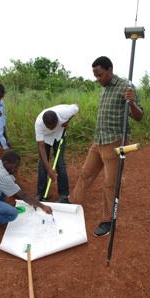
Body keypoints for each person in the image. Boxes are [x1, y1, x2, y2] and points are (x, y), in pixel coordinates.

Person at [69, 56, 143, 236]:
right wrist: (95, 138)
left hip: (115, 142)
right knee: (86, 173)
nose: (98, 79)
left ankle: (107, 221)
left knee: (110, 183)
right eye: (95, 76)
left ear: (110, 70)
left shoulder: (126, 87)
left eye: (100, 75)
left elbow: (139, 116)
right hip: (99, 140)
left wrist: (131, 102)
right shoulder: (103, 88)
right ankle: (72, 203)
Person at [35, 104, 79, 204]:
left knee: (60, 163)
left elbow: (77, 106)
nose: (50, 128)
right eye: (48, 126)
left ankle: (63, 194)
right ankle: (40, 194)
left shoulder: (65, 112)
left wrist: (68, 120)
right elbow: (41, 148)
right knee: (42, 165)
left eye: (53, 126)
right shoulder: (39, 124)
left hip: (59, 136)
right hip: (45, 138)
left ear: (57, 121)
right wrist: (49, 170)